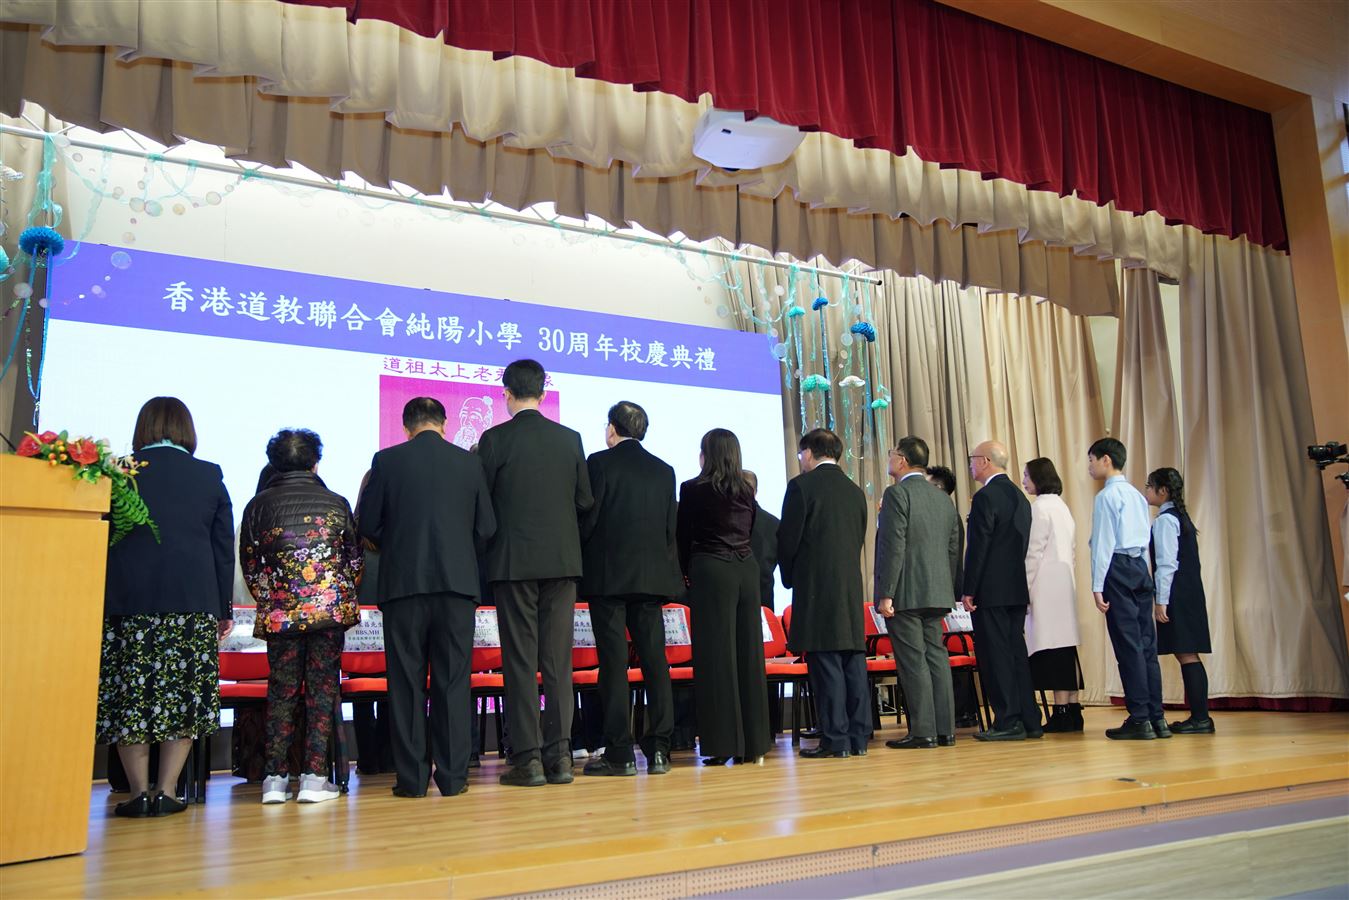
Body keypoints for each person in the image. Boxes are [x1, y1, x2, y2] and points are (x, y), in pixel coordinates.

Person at [98, 397, 233, 818]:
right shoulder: (209, 474)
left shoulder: (118, 471)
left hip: (128, 603)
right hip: (191, 604)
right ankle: (168, 790)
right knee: (184, 696)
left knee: (131, 697)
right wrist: (222, 609)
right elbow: (222, 549)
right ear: (186, 430)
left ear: (144, 428)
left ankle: (138, 792)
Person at [359, 397, 496, 797]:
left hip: (403, 587)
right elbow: (486, 527)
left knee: (406, 683)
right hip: (457, 587)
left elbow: (368, 523)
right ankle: (453, 778)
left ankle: (412, 780)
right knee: (453, 682)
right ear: (445, 424)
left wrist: (399, 543)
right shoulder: (468, 463)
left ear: (407, 428)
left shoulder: (387, 461)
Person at [477, 360, 593, 787]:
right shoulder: (569, 439)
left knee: (520, 661)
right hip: (561, 562)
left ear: (507, 394)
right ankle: (560, 757)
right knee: (558, 661)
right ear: (543, 394)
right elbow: (584, 501)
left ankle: (527, 760)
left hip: (512, 564)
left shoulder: (494, 439)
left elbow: (481, 503)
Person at [240, 429, 362, 804]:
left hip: (281, 615)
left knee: (281, 693)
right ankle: (314, 778)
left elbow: (250, 565)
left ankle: (274, 781)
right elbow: (354, 562)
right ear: (315, 463)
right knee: (322, 694)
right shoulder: (336, 503)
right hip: (328, 614)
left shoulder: (257, 506)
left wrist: (271, 598)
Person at [579, 401, 681, 777]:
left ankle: (620, 752)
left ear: (612, 429)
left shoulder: (599, 462)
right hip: (651, 580)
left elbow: (589, 520)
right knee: (655, 662)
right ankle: (660, 750)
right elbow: (669, 527)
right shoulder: (664, 470)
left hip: (608, 579)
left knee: (613, 664)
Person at [677, 428, 771, 766]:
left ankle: (723, 744)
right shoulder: (746, 489)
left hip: (711, 569)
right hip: (746, 570)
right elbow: (751, 530)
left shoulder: (692, 489)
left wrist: (687, 574)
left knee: (716, 657)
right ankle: (755, 743)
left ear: (707, 454)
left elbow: (682, 537)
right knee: (749, 654)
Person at [777, 429, 870, 759]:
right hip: (849, 585)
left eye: (800, 454)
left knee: (826, 661)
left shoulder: (801, 487)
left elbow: (788, 540)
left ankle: (835, 739)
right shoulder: (855, 491)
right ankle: (859, 738)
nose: (800, 460)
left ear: (809, 452)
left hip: (817, 586)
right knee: (852, 661)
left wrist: (789, 577)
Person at [875, 436, 962, 750]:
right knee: (937, 657)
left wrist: (886, 593)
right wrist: (946, 587)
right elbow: (953, 548)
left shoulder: (897, 494)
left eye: (891, 453)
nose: (889, 458)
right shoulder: (943, 499)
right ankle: (945, 730)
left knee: (913, 661)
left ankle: (924, 731)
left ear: (901, 460)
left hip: (906, 592)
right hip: (937, 591)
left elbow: (893, 545)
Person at [961, 440, 1042, 741]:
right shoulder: (1020, 496)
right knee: (1016, 654)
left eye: (972, 459)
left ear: (984, 461)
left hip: (991, 591)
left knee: (995, 656)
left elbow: (978, 546)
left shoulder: (986, 497)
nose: (970, 465)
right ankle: (1030, 719)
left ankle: (1008, 720)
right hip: (1016, 589)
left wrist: (969, 589)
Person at [1087, 438, 1165, 740]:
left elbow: (1103, 544)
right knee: (1147, 646)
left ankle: (1140, 718)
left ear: (1106, 459)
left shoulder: (1106, 497)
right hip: (1140, 568)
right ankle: (1157, 718)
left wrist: (1097, 586)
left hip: (1117, 569)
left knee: (1128, 646)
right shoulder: (1135, 494)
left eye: (1092, 459)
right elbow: (1145, 539)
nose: (1090, 466)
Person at [1146, 467, 1215, 734]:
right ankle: (1199, 716)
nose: (1146, 491)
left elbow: (1166, 564)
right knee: (1187, 653)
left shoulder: (1165, 521)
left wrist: (1161, 601)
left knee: (1186, 653)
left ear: (1163, 491)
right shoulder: (1180, 516)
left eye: (1149, 486)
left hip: (1177, 594)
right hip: (1189, 593)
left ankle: (1201, 718)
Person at [1021, 458, 1084, 733]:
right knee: (1066, 648)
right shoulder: (1062, 507)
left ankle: (1060, 712)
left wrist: (1024, 588)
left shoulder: (1039, 508)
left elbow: (1033, 553)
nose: (1024, 481)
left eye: (1026, 476)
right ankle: (1073, 709)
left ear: (1038, 477)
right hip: (1064, 583)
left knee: (1052, 649)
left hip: (1044, 586)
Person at [744, 469, 784, 735]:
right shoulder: (773, 523)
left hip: (741, 602)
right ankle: (770, 725)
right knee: (765, 661)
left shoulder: (729, 520)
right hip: (765, 603)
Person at [745, 471, 780, 611]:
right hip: (764, 594)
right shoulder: (774, 523)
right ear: (755, 491)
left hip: (735, 596)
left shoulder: (728, 519)